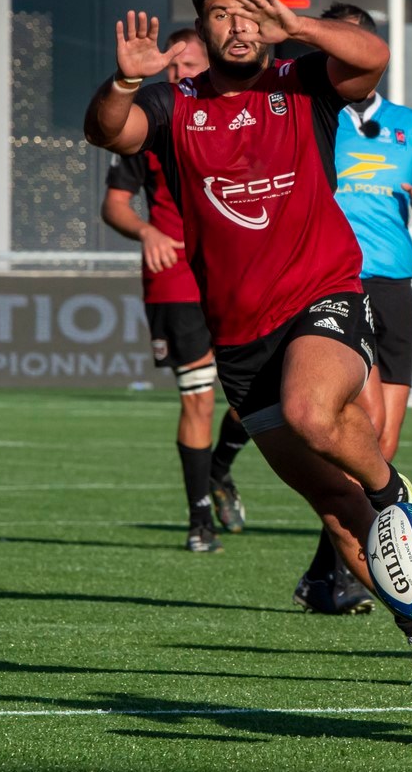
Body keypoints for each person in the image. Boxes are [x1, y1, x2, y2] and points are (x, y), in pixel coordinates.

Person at [83, 0, 412, 687]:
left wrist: (301, 26)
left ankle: (394, 494)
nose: (237, 26)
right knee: (329, 499)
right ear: (202, 24)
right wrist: (125, 78)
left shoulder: (302, 81)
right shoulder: (173, 105)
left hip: (323, 293)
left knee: (311, 410)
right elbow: (107, 132)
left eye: (250, 11)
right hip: (240, 336)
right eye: (222, 13)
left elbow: (373, 57)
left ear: (268, 17)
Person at [292, 1, 412, 617]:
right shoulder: (308, 115)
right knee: (346, 437)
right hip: (333, 285)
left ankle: (325, 574)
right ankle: (345, 573)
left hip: (392, 289)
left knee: (381, 442)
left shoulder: (410, 126)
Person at [101, 28, 249, 553]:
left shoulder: (241, 116)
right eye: (172, 66)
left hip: (238, 274)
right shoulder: (148, 123)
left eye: (188, 65)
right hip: (176, 281)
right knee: (198, 400)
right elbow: (115, 204)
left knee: (266, 396)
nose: (179, 74)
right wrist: (147, 231)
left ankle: (218, 467)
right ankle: (199, 520)